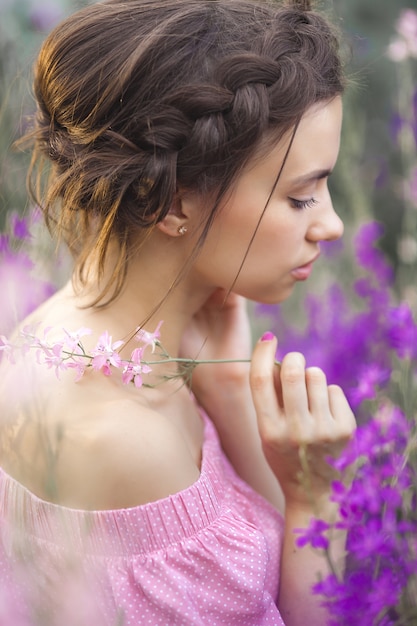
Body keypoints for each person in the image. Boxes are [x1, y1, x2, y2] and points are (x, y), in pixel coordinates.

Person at [0, 0, 356, 624]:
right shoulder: (122, 442)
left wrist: (223, 392)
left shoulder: (79, 330)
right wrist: (315, 499)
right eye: (301, 197)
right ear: (169, 200)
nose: (333, 223)